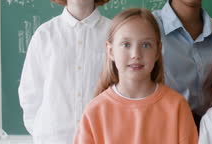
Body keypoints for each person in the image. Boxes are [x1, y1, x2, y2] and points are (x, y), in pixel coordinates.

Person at [18, 0, 112, 143]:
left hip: (103, 137)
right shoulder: (45, 35)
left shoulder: (114, 33)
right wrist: (45, 132)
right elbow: (30, 93)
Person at [74, 8, 198, 143]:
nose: (136, 54)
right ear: (110, 51)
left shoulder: (177, 107)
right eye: (126, 44)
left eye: (146, 45)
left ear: (157, 51)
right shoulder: (95, 111)